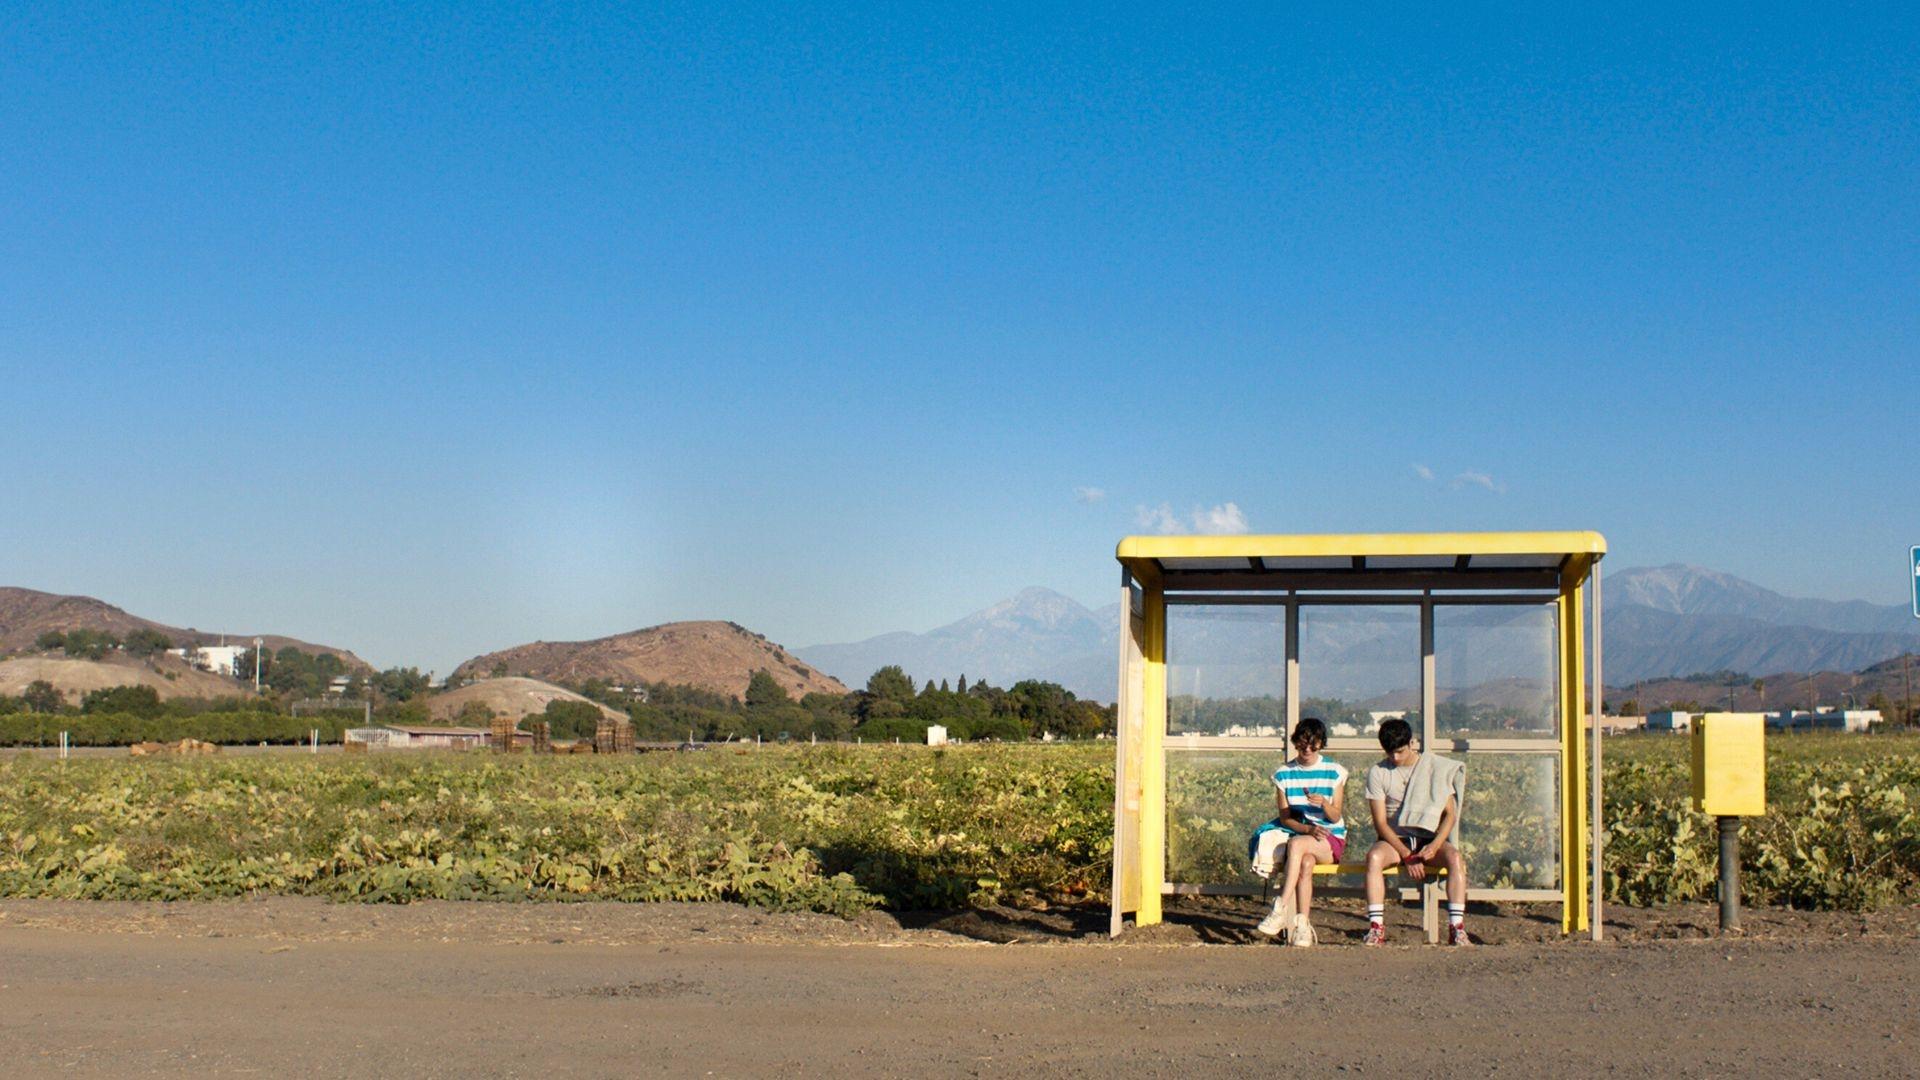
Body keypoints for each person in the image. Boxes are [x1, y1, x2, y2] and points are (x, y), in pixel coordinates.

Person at [1362, 717, 1470, 946]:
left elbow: (1450, 813)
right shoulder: (1378, 772)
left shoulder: (1434, 768)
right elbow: (1380, 822)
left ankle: (1457, 928)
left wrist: (1436, 845)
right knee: (1374, 857)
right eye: (1390, 753)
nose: (1396, 758)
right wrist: (1406, 855)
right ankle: (1376, 927)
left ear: (1412, 743)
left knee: (1455, 858)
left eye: (1400, 751)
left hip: (1428, 836)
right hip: (1395, 838)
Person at [1254, 717, 1347, 946]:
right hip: (1305, 835)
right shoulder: (1284, 775)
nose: (1307, 749)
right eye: (1302, 744)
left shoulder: (1334, 772)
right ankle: (1302, 925)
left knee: (1296, 845)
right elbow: (1286, 818)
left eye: (1313, 745)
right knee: (1305, 862)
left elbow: (1335, 816)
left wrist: (1324, 804)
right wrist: (1308, 828)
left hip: (1330, 837)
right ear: (1296, 742)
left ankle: (1280, 907)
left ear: (1321, 744)